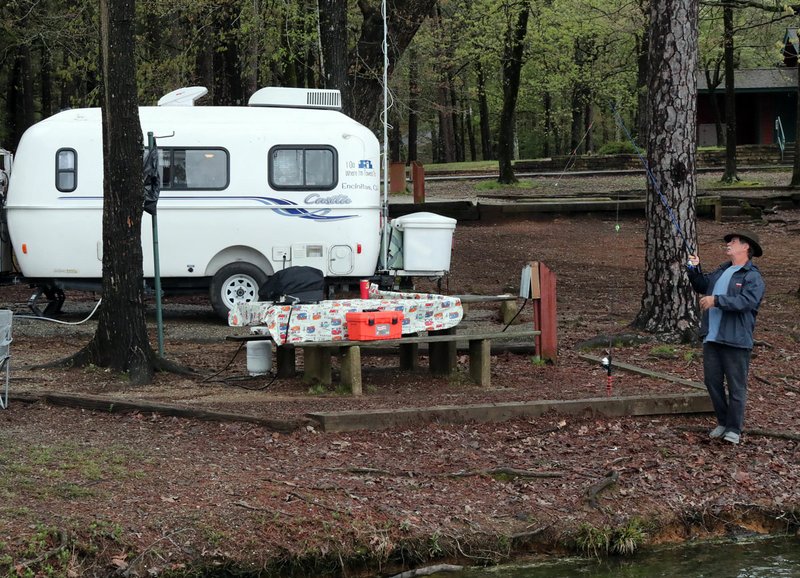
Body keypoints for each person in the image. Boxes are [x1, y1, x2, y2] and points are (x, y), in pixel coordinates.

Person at [687, 230, 765, 445]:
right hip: (712, 337)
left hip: (736, 340)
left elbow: (746, 302)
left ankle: (734, 428)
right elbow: (702, 285)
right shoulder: (722, 270)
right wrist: (693, 268)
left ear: (746, 247)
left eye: (734, 241)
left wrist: (717, 301)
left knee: (736, 385)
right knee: (712, 382)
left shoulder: (752, 276)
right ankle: (722, 422)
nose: (729, 243)